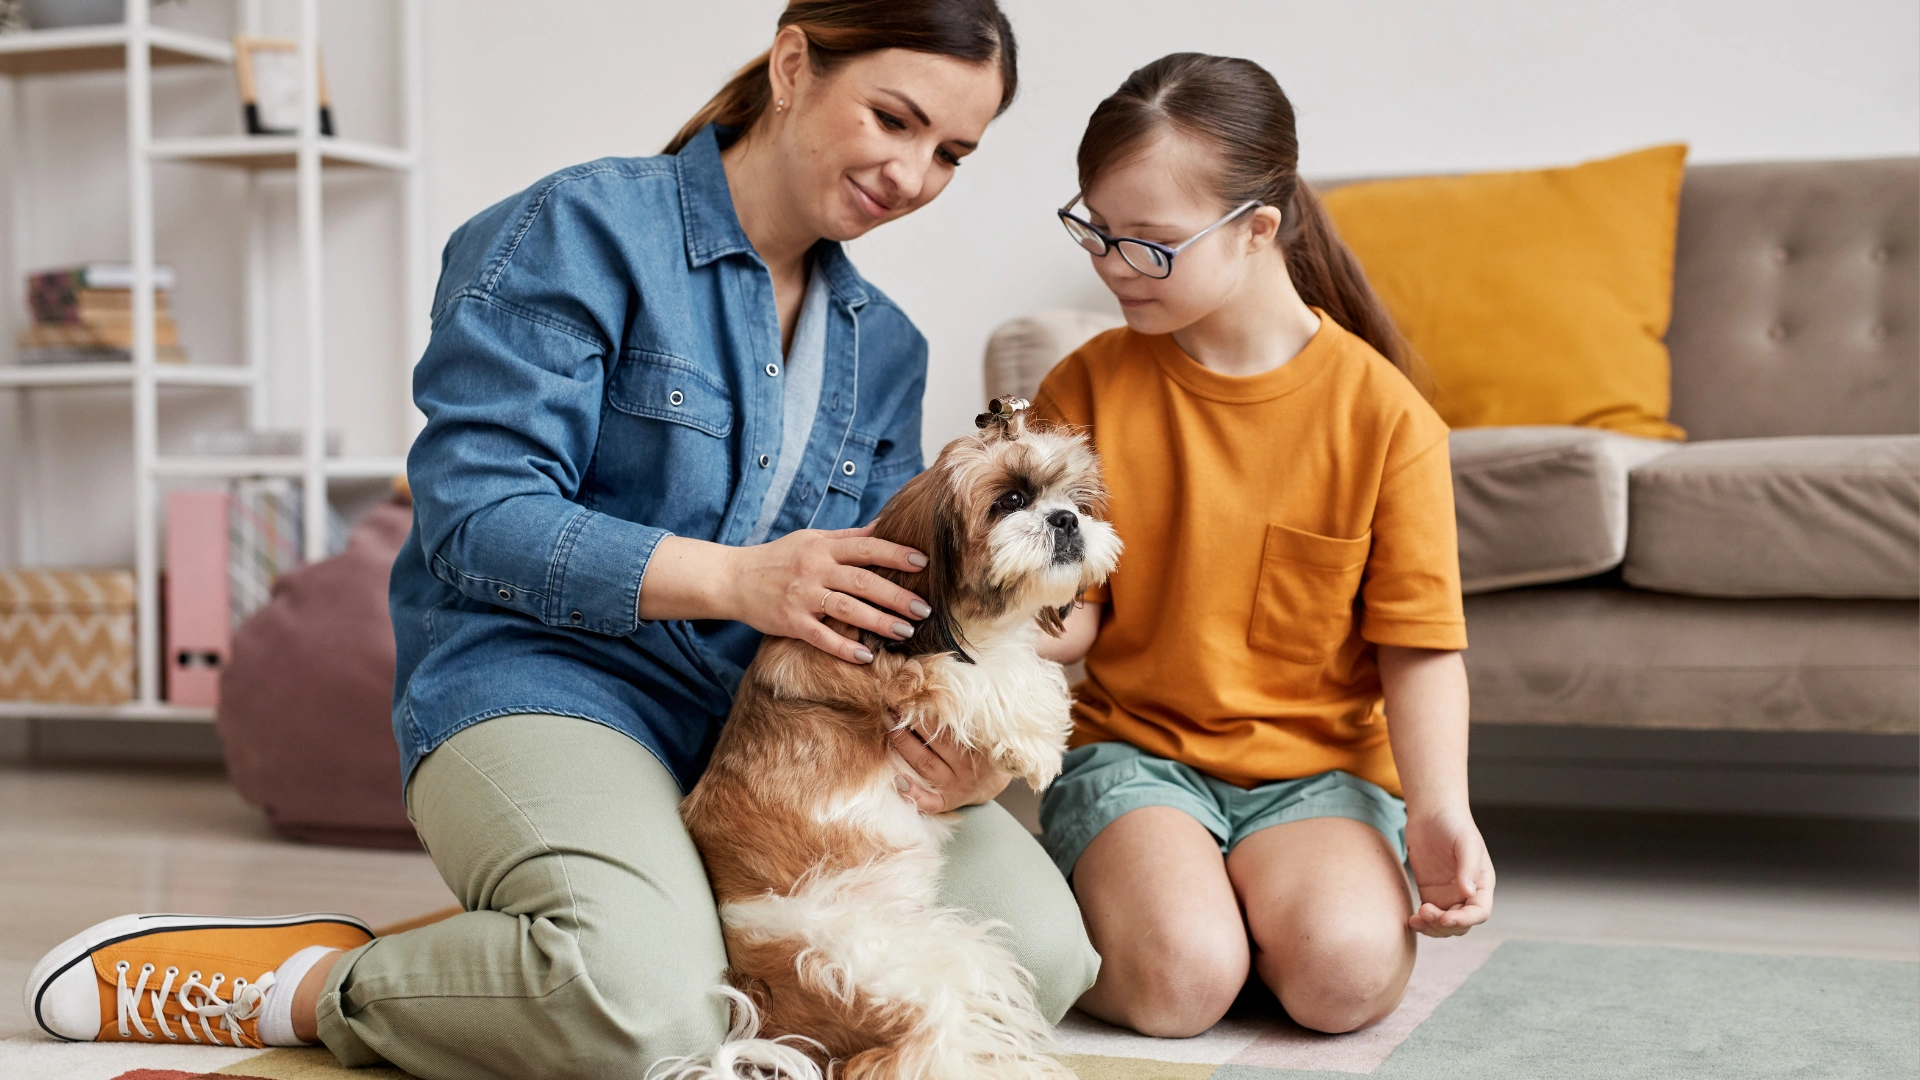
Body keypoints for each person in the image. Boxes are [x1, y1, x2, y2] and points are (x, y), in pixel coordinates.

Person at [25, 5, 1102, 1078]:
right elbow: (477, 514)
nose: (913, 174)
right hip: (542, 684)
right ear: (790, 66)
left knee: (1042, 961)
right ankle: (312, 984)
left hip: (776, 733)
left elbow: (888, 602)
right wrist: (737, 580)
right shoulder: (578, 231)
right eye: (894, 119)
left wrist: (963, 761)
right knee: (642, 1009)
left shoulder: (888, 345)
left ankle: (588, 949)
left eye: (952, 152)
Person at [1029, 52, 1496, 1039]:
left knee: (1345, 981)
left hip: (1322, 777)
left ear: (1257, 231)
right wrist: (982, 611)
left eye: (1148, 244)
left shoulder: (1386, 418)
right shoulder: (1082, 390)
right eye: (1096, 232)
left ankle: (1240, 924)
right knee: (1178, 988)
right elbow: (1073, 624)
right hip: (1136, 758)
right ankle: (1196, 928)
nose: (1115, 265)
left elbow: (1419, 647)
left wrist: (1438, 810)